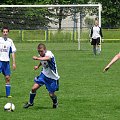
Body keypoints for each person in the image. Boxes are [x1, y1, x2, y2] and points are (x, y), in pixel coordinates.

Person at [24, 43, 60, 109]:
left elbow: (47, 58)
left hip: (52, 78)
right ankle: (30, 103)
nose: (40, 53)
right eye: (39, 51)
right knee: (33, 88)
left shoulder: (49, 54)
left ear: (45, 50)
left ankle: (55, 102)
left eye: (41, 51)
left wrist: (37, 58)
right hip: (43, 75)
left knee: (51, 94)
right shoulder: (41, 56)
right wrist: (38, 66)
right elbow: (42, 60)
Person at [0, 26, 16, 97]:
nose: (5, 33)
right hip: (0, 61)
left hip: (6, 62)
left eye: (6, 32)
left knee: (7, 78)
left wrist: (13, 63)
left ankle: (8, 95)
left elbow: (12, 52)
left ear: (8, 33)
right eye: (4, 32)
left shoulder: (10, 41)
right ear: (2, 33)